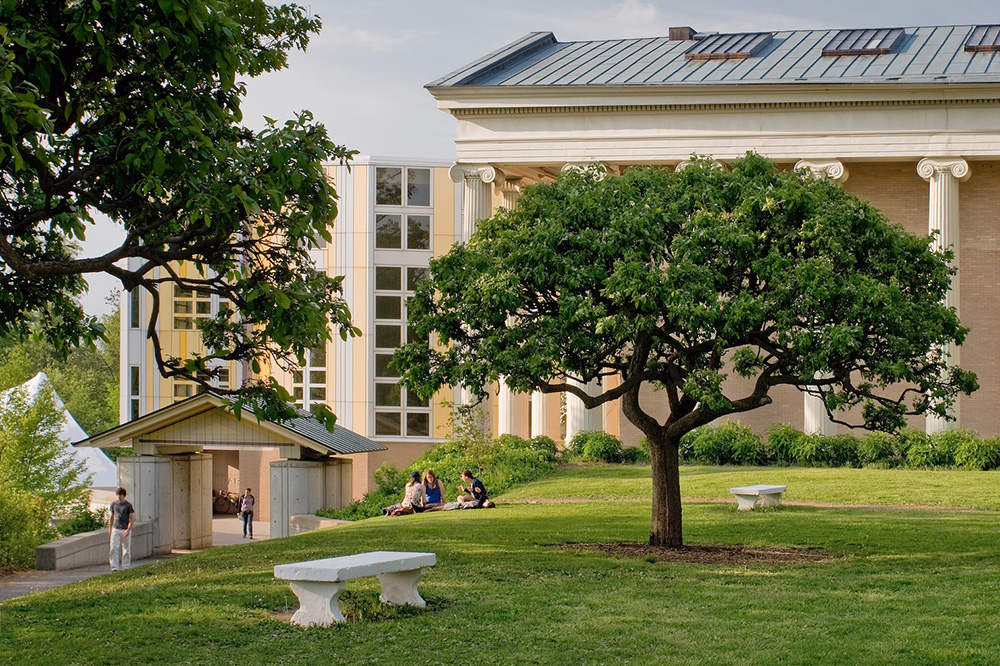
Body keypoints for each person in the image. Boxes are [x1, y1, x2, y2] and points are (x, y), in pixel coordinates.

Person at [108, 487, 135, 571]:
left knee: (126, 549)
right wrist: (110, 529)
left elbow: (132, 519)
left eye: (120, 495)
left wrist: (128, 529)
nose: (119, 497)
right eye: (118, 495)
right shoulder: (113, 504)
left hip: (125, 528)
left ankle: (126, 566)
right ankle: (114, 567)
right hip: (116, 528)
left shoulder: (128, 505)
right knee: (113, 548)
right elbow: (111, 517)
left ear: (124, 495)